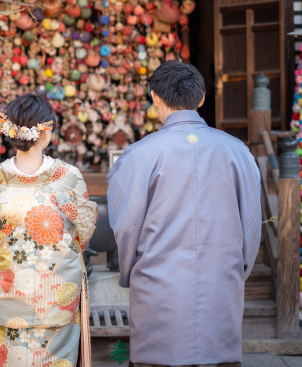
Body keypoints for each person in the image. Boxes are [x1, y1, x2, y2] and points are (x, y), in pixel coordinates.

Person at [107, 61, 262, 367]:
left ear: (155, 97)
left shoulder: (139, 154)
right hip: (221, 283)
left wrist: (130, 271)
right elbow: (251, 224)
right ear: (202, 98)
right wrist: (236, 271)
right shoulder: (237, 151)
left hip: (157, 286)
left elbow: (125, 226)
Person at [0, 93, 98, 367]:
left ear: (9, 131)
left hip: (2, 291)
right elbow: (84, 231)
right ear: (46, 132)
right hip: (56, 295)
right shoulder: (68, 177)